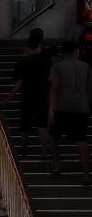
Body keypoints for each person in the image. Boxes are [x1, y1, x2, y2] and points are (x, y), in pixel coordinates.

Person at [48, 41, 92, 182]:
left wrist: (51, 109)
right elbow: (89, 89)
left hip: (62, 106)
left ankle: (57, 166)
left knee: (54, 137)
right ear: (76, 52)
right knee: (82, 140)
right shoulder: (86, 67)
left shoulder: (58, 67)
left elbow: (54, 88)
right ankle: (86, 174)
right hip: (81, 106)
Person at [9, 32, 53, 159]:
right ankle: (44, 152)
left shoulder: (23, 62)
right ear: (39, 46)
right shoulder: (46, 62)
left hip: (27, 97)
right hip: (42, 97)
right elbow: (52, 80)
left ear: (28, 47)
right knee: (42, 126)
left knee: (25, 126)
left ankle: (23, 149)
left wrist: (10, 95)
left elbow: (19, 81)